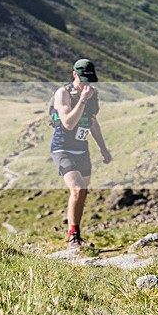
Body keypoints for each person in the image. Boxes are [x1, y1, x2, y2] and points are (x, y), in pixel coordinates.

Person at [49, 59, 112, 249]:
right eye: (83, 79)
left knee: (82, 193)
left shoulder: (92, 94)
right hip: (62, 148)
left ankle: (76, 234)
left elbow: (92, 122)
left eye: (90, 80)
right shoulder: (63, 94)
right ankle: (72, 238)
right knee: (76, 189)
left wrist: (103, 148)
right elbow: (68, 122)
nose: (86, 83)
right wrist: (83, 100)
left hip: (82, 149)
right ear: (74, 74)